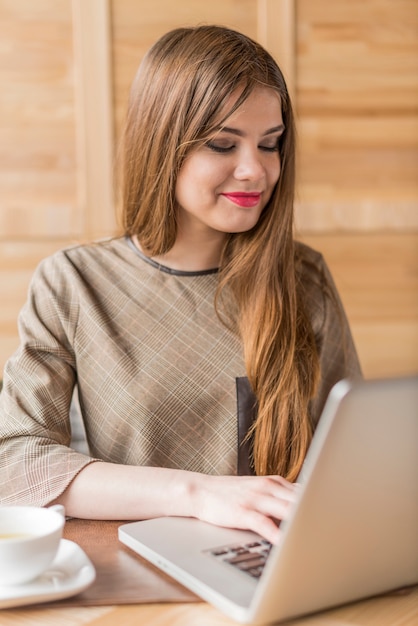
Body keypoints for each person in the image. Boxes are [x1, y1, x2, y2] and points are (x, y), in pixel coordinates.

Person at [0, 25, 361, 544]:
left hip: (281, 563)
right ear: (162, 143)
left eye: (270, 144)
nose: (254, 170)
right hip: (135, 569)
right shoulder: (75, 282)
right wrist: (199, 493)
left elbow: (356, 456)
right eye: (222, 144)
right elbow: (17, 464)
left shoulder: (305, 280)